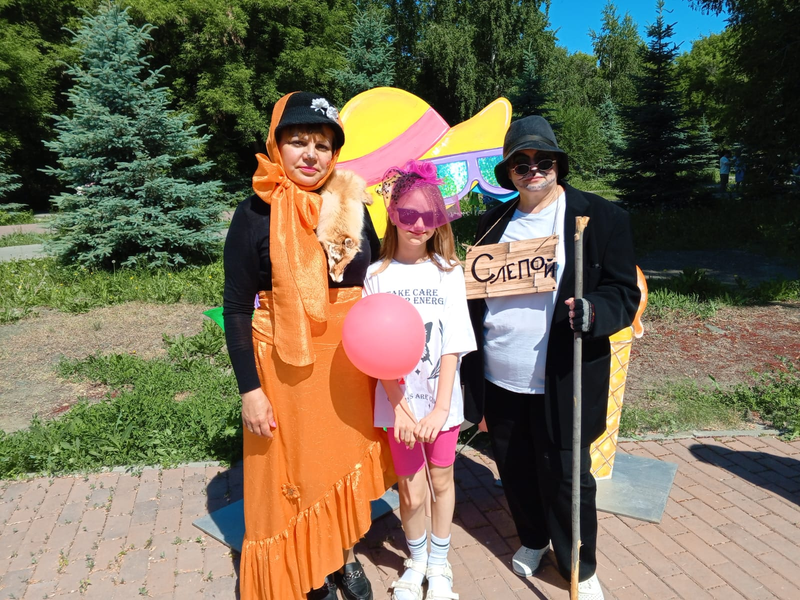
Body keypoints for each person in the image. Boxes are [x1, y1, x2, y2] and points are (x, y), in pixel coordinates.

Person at [223, 91, 394, 600]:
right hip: (285, 366)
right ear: (277, 145)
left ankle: (343, 556)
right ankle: (308, 570)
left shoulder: (353, 204)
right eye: (298, 141)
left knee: (339, 468)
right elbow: (236, 308)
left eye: (322, 144)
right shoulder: (254, 213)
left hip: (348, 366)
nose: (311, 154)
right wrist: (250, 390)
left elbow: (377, 278)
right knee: (296, 472)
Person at [461, 116, 640, 600]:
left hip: (563, 377)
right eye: (521, 164)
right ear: (509, 173)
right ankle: (534, 538)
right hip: (501, 374)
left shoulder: (600, 218)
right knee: (514, 467)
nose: (533, 170)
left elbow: (623, 293)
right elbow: (478, 295)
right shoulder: (493, 222)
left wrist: (594, 311)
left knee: (567, 476)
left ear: (558, 164)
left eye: (542, 161)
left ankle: (578, 563)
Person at [363, 160, 476, 600]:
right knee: (410, 491)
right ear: (393, 215)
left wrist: (441, 408)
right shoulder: (376, 276)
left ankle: (440, 565)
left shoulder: (448, 271)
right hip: (400, 408)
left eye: (429, 216)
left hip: (441, 403)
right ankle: (416, 562)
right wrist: (403, 411)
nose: (418, 225)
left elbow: (453, 343)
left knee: (442, 481)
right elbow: (375, 352)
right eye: (408, 214)